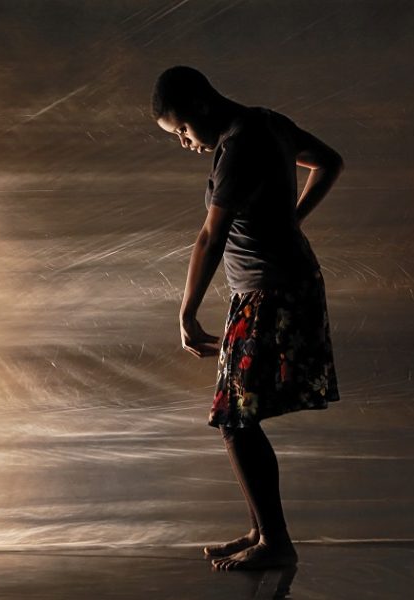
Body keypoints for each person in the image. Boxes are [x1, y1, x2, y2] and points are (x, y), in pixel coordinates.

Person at [151, 66, 343, 570]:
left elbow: (210, 237)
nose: (185, 142)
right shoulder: (268, 123)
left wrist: (187, 311)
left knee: (235, 417)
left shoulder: (239, 145)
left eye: (183, 130)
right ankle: (263, 531)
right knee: (239, 414)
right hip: (275, 285)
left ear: (201, 106)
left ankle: (275, 542)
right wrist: (291, 219)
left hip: (270, 291)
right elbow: (329, 161)